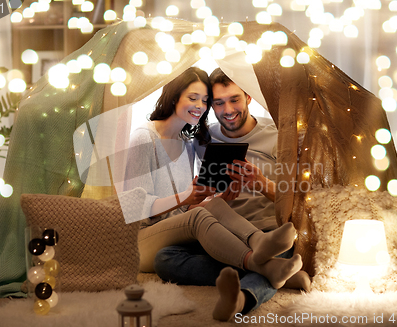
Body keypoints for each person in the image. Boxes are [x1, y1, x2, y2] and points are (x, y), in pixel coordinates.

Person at [122, 67, 302, 293]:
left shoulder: (187, 142)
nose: (200, 105)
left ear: (248, 98)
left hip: (249, 230)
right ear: (174, 96)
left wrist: (212, 199)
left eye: (204, 100)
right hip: (142, 237)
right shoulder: (150, 138)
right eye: (194, 98)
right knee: (177, 244)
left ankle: (261, 258)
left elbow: (184, 210)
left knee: (210, 207)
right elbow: (134, 209)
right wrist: (186, 199)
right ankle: (263, 265)